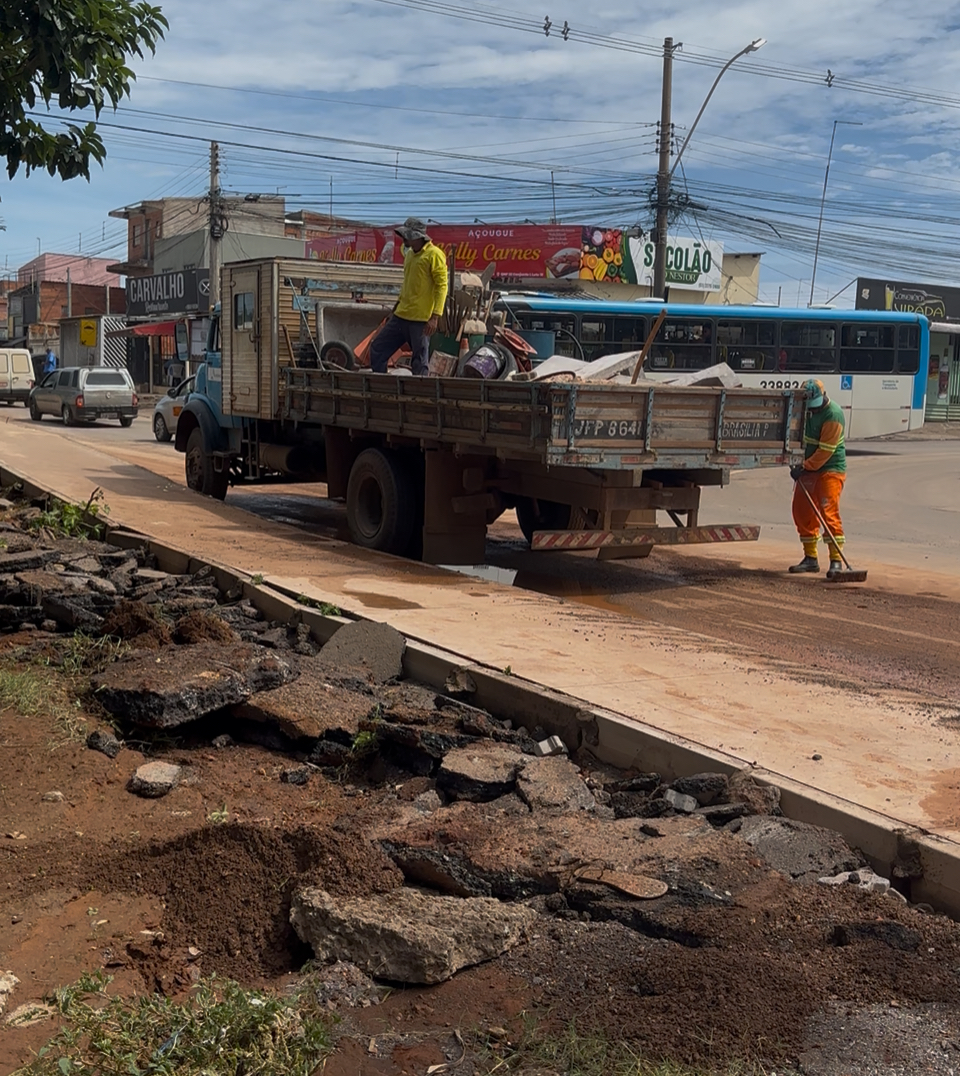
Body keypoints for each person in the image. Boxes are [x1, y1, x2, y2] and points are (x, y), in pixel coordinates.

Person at [369, 217, 448, 375]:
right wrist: (395, 309)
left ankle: (419, 389)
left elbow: (442, 286)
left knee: (419, 360)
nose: (404, 238)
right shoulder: (410, 255)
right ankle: (379, 384)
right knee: (378, 348)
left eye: (407, 235)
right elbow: (408, 285)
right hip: (401, 315)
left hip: (421, 319)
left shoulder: (434, 255)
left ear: (418, 237)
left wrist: (435, 317)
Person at [788, 378, 847, 578]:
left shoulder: (833, 415)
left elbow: (825, 451)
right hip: (808, 467)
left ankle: (836, 560)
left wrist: (804, 466)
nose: (811, 408)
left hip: (830, 468)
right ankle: (810, 558)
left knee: (828, 511)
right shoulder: (802, 410)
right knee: (802, 510)